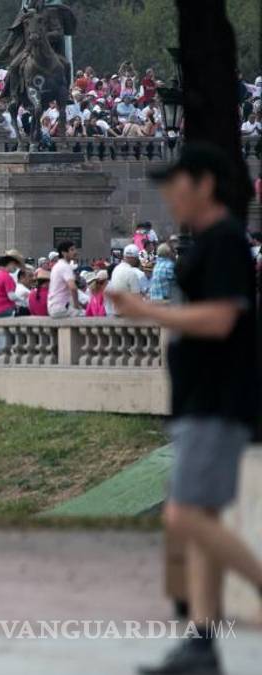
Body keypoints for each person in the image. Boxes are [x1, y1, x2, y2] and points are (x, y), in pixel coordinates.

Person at [113, 144, 262, 675]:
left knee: (183, 514)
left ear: (203, 185)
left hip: (216, 401)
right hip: (201, 401)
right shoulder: (210, 244)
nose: (168, 194)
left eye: (176, 183)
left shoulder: (223, 242)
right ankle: (202, 642)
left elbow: (221, 321)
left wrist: (145, 310)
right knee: (198, 518)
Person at [106, 244, 144, 317]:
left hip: (116, 312)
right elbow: (136, 298)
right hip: (128, 315)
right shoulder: (131, 273)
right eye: (137, 258)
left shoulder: (116, 270)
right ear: (134, 258)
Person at [47, 240, 83, 318]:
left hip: (53, 307)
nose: (75, 252)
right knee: (85, 315)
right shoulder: (65, 267)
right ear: (63, 252)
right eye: (72, 250)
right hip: (61, 308)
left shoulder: (56, 266)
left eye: (75, 249)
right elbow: (73, 288)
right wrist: (76, 306)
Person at [0, 250, 24, 318]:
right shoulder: (6, 277)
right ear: (11, 263)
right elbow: (11, 296)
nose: (16, 268)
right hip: (5, 310)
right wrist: (23, 301)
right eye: (15, 265)